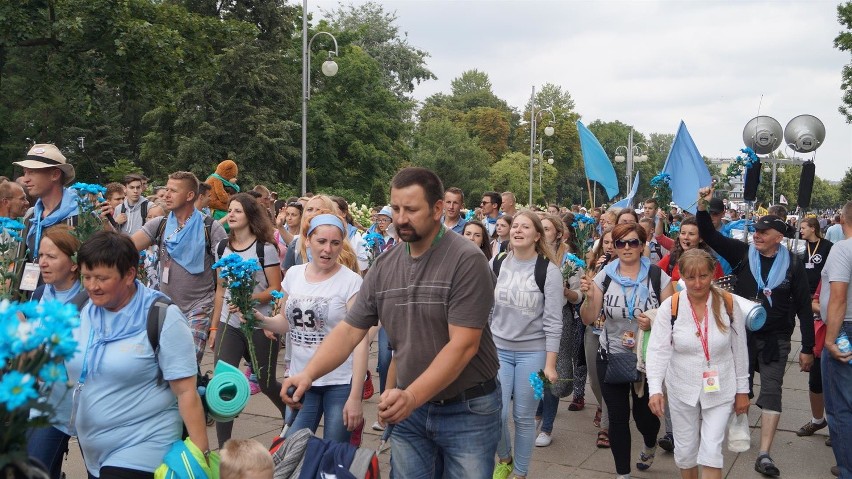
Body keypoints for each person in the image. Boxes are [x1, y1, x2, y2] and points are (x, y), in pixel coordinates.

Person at [281, 167, 500, 479]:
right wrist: (308, 374)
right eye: (396, 208)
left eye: (411, 209)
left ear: (438, 209)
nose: (400, 218)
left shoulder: (466, 260)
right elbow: (349, 330)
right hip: (408, 409)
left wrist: (409, 396)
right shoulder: (386, 265)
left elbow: (463, 346)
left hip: (467, 409)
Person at [66, 231, 209, 478]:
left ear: (130, 274)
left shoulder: (162, 316)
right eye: (86, 276)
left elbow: (186, 390)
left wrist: (199, 455)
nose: (92, 286)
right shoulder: (79, 309)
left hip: (145, 444)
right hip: (93, 450)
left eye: (101, 278)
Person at [696, 187, 813, 477]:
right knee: (741, 388)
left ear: (778, 237)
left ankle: (764, 454)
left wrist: (808, 348)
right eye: (756, 230)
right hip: (741, 338)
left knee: (773, 392)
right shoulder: (742, 254)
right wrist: (702, 204)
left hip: (776, 339)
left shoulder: (793, 265)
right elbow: (709, 236)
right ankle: (739, 430)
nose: (757, 235)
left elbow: (803, 308)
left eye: (764, 231)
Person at [256, 211, 367, 443]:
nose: (328, 249)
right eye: (322, 241)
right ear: (308, 241)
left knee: (333, 454)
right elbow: (285, 322)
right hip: (301, 381)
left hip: (339, 382)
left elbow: (360, 342)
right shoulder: (294, 275)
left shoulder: (352, 282)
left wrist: (356, 396)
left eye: (335, 243)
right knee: (293, 449)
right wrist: (260, 320)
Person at [579, 223, 674, 478]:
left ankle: (651, 441)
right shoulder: (605, 276)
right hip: (610, 355)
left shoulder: (657, 276)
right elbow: (588, 319)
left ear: (643, 245)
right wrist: (587, 297)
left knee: (645, 418)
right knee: (618, 419)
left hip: (646, 359)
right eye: (621, 243)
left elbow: (673, 318)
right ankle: (623, 474)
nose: (627, 248)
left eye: (633, 242)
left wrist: (653, 320)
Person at [646, 249, 750, 479]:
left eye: (703, 276)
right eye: (691, 277)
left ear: (713, 273)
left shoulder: (728, 304)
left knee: (712, 449)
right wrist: (655, 389)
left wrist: (743, 391)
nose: (697, 283)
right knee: (685, 450)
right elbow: (658, 350)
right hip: (682, 387)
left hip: (721, 386)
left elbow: (740, 351)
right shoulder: (671, 307)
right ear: (681, 276)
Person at [490, 212, 562, 479]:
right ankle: (505, 458)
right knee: (494, 412)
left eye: (525, 227)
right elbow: (486, 308)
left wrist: (550, 365)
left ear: (537, 236)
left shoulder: (548, 271)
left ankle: (520, 473)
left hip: (533, 353)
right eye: (515, 226)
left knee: (523, 417)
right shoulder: (496, 263)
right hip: (497, 351)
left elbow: (554, 322)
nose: (518, 230)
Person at [209, 193, 284, 448]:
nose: (230, 214)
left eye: (237, 211)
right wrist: (214, 326)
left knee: (265, 382)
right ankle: (223, 448)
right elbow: (220, 289)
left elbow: (276, 288)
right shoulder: (222, 248)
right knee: (223, 383)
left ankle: (292, 418)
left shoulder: (265, 249)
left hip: (259, 323)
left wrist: (248, 301)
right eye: (229, 210)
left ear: (250, 216)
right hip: (229, 324)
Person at [133, 172, 228, 363]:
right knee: (161, 366)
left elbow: (223, 281)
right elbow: (123, 248)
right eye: (166, 189)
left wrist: (216, 325)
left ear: (190, 196)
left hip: (199, 308)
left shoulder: (211, 228)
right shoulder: (159, 225)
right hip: (165, 308)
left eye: (173, 191)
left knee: (186, 363)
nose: (166, 195)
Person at [26, 226, 88, 479]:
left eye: (51, 257)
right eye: (40, 256)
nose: (42, 263)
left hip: (89, 406)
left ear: (74, 263)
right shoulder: (39, 295)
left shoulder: (92, 299)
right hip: (48, 407)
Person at [534, 214, 586, 447]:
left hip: (561, 318)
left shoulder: (570, 262)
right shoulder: (532, 257)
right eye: (540, 228)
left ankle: (546, 426)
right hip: (534, 317)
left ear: (558, 233)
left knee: (552, 370)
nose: (543, 232)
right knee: (536, 369)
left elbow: (579, 297)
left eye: (546, 228)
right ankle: (538, 409)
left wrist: (566, 292)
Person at [820, 200, 852, 478]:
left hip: (845, 331)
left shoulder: (843, 248)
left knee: (841, 406)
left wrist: (831, 339)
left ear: (842, 220)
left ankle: (847, 469)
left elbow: (839, 296)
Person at [797, 216, 833, 438]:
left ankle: (840, 426)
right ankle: (818, 420)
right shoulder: (799, 247)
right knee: (816, 377)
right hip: (815, 315)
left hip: (837, 329)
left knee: (838, 382)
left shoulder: (830, 248)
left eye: (803, 227)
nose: (800, 231)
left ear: (813, 228)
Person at [14, 144, 79, 262]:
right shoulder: (30, 216)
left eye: (32, 172)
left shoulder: (80, 217)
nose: (25, 179)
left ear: (55, 175)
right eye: (25, 172)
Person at [585, 227, 614, 449]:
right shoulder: (596, 266)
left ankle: (606, 425)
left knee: (609, 381)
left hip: (615, 332)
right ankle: (604, 405)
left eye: (615, 242)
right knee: (594, 380)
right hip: (594, 327)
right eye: (606, 242)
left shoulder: (628, 268)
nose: (610, 246)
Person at [657, 217, 724, 282]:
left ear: (701, 239)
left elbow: (720, 290)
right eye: (683, 233)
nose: (686, 237)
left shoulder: (712, 263)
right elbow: (654, 274)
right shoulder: (671, 258)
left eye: (691, 234)